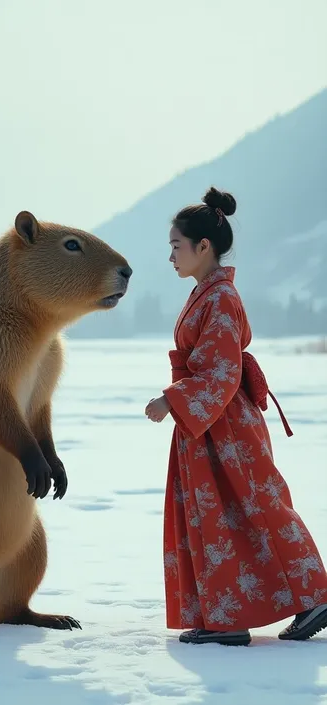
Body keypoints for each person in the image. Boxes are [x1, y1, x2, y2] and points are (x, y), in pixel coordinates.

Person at [144, 186, 327, 646]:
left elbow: (222, 370)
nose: (170, 256)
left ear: (203, 247)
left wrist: (172, 399)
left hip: (226, 424)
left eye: (175, 246)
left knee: (259, 505)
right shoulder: (208, 295)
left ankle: (316, 595)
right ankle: (225, 616)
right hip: (206, 423)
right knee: (216, 515)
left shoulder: (221, 299)